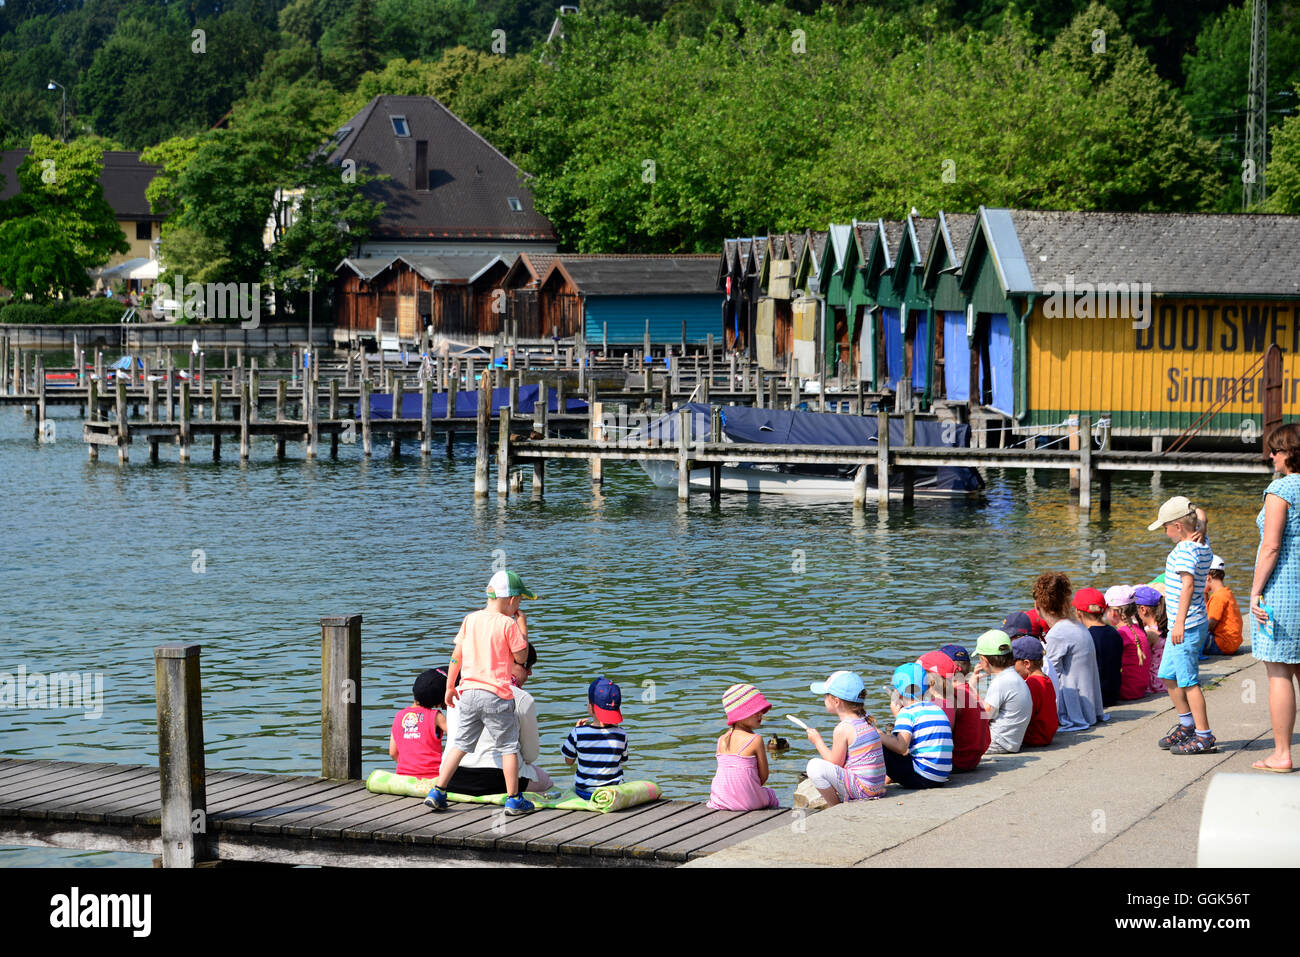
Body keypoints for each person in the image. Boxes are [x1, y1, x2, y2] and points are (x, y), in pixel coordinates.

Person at [424, 569, 536, 815]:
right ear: (513, 600)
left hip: (468, 693)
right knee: (508, 747)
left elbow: (456, 657)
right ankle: (514, 798)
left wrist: (450, 686)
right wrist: (522, 626)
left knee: (460, 744)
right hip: (495, 694)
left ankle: (438, 790)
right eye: (520, 600)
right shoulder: (508, 624)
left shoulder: (471, 619)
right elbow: (522, 656)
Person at [1249, 423, 1300, 772]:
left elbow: (1271, 545)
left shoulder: (1281, 489)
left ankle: (1282, 753)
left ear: (1289, 454)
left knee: (1279, 673)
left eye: (1276, 450)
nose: (1271, 455)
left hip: (1284, 592)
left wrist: (1254, 592)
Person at [1149, 495, 1216, 755]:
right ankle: (1187, 725)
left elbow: (1188, 585)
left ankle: (1204, 735)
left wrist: (1177, 624)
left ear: (1178, 526)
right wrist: (1203, 527)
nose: (1164, 532)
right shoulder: (1201, 541)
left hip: (1186, 625)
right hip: (1189, 622)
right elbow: (1201, 512)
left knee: (1189, 682)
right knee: (1167, 675)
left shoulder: (1187, 550)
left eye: (1165, 527)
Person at [444, 641, 553, 796]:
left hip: (452, 778)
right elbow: (531, 755)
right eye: (527, 665)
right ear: (509, 661)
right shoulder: (522, 698)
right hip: (499, 781)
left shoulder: (455, 692)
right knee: (544, 779)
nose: (530, 673)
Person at [1035, 571, 1105, 732]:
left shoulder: (1058, 633)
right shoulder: (1076, 624)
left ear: (1038, 606)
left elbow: (1049, 677)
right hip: (1090, 707)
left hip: (1075, 710)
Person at [802, 672, 885, 806]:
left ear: (836, 701)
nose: (823, 699)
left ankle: (835, 807)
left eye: (825, 696)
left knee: (814, 766)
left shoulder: (843, 728)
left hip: (863, 791)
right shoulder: (866, 720)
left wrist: (817, 741)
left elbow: (835, 763)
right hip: (876, 788)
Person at [877, 663, 952, 789]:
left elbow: (900, 747)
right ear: (928, 687)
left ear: (897, 693)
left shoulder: (907, 713)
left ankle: (871, 784)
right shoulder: (937, 709)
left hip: (921, 778)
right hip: (940, 777)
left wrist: (877, 733)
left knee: (876, 743)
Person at [709, 683, 781, 810]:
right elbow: (763, 777)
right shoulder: (755, 739)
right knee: (771, 795)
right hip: (749, 802)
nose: (760, 714)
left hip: (721, 799)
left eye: (761, 710)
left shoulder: (721, 740)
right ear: (739, 715)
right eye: (754, 711)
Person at [919, 649, 988, 772]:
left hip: (958, 761)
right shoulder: (966, 691)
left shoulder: (949, 699)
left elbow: (940, 733)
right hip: (972, 758)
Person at [561, 677, 628, 798]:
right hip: (612, 793)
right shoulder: (621, 734)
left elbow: (568, 762)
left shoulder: (578, 733)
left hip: (584, 793)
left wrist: (577, 733)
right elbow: (621, 760)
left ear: (591, 707)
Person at [971, 629, 1033, 753]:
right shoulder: (1014, 677)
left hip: (998, 742)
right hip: (1011, 741)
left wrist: (971, 688)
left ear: (985, 660)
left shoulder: (1001, 682)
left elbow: (985, 716)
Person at [389, 668, 447, 778]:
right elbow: (459, 737)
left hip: (404, 777)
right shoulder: (436, 716)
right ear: (439, 701)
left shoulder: (399, 716)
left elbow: (393, 752)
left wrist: (411, 770)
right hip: (433, 777)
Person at [1105, 585, 1156, 701]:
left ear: (1113, 613)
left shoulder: (1121, 634)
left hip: (1125, 691)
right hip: (1139, 690)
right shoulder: (1139, 630)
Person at [1075, 587, 1123, 708]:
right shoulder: (1114, 633)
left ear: (1078, 613)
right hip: (1113, 695)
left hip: (1095, 697)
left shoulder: (1086, 637)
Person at [1012, 636, 1058, 747]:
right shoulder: (1046, 679)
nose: (1011, 667)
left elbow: (1025, 715)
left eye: (1013, 663)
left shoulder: (1032, 684)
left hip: (1035, 737)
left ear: (1026, 663)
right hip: (1046, 734)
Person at [1204, 555, 1244, 656]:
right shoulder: (1226, 592)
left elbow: (1210, 624)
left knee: (1191, 635)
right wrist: (1204, 595)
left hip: (1222, 644)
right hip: (1232, 642)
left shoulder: (1218, 597)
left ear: (1208, 577)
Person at [1134, 585, 1168, 696]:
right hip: (1168, 678)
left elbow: (1139, 660)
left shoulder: (1150, 634)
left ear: (1143, 609)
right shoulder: (1166, 627)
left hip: (1156, 682)